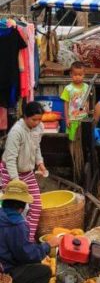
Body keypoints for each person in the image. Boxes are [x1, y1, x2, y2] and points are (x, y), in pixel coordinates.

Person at [0, 180, 52, 283]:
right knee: (43, 272)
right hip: (5, 273)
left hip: (4, 263)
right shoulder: (17, 225)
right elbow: (27, 255)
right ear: (22, 207)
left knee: (34, 266)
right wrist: (47, 246)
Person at [2, 102, 47, 239]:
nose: (37, 122)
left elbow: (36, 146)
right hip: (9, 173)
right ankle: (8, 238)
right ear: (25, 117)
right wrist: (16, 182)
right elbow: (10, 159)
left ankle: (28, 238)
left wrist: (40, 162)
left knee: (36, 206)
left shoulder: (39, 127)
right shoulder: (16, 132)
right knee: (13, 210)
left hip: (27, 173)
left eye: (39, 119)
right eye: (34, 119)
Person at [62, 61, 90, 141]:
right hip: (72, 120)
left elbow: (87, 100)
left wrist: (87, 109)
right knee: (72, 139)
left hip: (83, 119)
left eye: (80, 75)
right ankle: (72, 153)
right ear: (71, 74)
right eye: (75, 75)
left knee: (83, 139)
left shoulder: (86, 87)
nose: (77, 77)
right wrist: (67, 118)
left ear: (84, 74)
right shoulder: (68, 88)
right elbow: (66, 104)